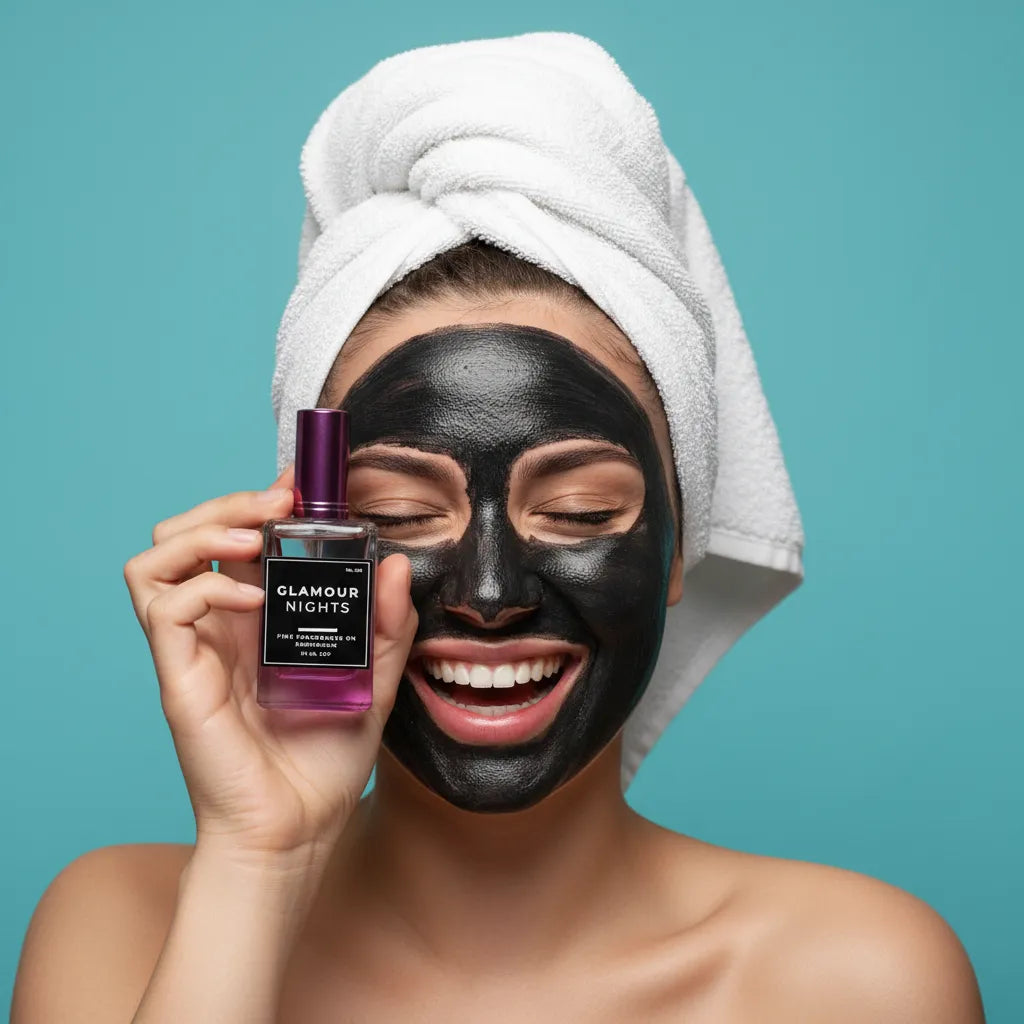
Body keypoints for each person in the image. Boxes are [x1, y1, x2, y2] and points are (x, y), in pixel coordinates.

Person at [13, 37, 985, 1024]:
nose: (488, 592)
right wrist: (262, 858)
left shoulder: (858, 980)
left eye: (578, 511)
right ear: (305, 548)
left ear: (675, 543)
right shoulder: (125, 928)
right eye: (392, 513)